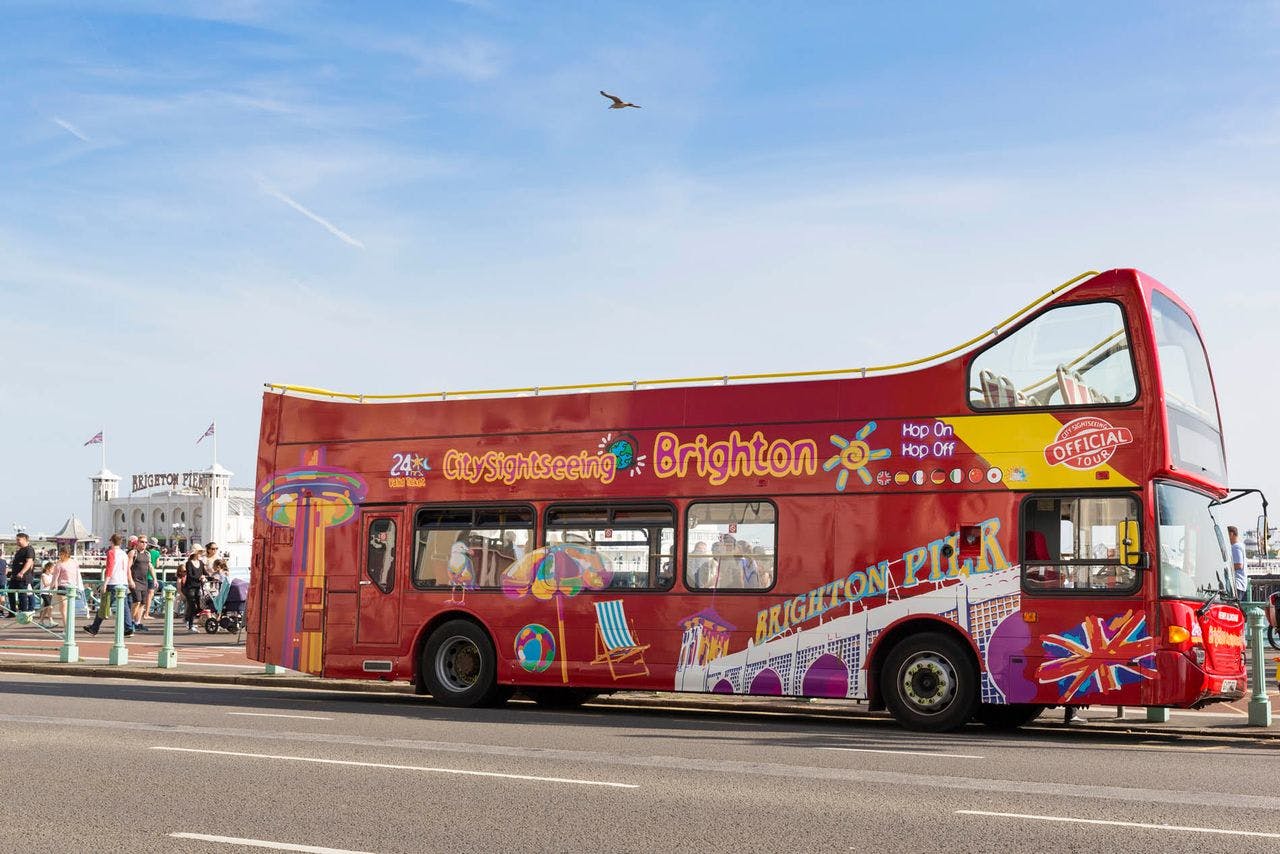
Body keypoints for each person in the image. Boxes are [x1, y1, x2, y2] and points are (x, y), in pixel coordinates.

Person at [85, 534, 134, 637]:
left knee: (105, 605)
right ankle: (129, 627)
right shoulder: (124, 554)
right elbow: (127, 569)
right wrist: (129, 581)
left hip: (113, 582)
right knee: (124, 606)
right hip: (123, 582)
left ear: (111, 541)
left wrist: (105, 583)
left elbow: (109, 569)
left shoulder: (111, 553)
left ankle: (94, 628)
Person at [51, 547, 82, 628]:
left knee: (63, 609)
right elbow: (77, 575)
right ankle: (69, 627)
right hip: (72, 587)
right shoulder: (74, 562)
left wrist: (51, 588)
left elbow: (55, 577)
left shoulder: (59, 563)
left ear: (64, 554)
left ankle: (66, 628)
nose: (59, 555)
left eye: (60, 554)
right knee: (69, 608)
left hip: (63, 586)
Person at [179, 548, 207, 632]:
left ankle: (187, 618)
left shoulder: (201, 563)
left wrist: (209, 576)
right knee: (192, 606)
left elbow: (205, 573)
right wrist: (199, 578)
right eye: (199, 552)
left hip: (198, 587)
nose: (200, 554)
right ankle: (190, 624)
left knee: (200, 607)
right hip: (190, 587)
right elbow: (190, 575)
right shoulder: (189, 563)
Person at [8, 532, 36, 614]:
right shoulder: (20, 550)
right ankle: (12, 612)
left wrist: (22, 572)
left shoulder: (29, 549)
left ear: (24, 539)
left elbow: (29, 562)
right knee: (10, 592)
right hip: (14, 576)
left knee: (22, 594)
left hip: (23, 577)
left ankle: (24, 612)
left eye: (18, 540)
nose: (17, 542)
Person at [129, 536, 152, 630]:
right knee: (136, 601)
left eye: (146, 542)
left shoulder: (147, 554)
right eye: (142, 542)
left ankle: (137, 622)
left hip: (144, 581)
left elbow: (150, 566)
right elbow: (127, 567)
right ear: (137, 542)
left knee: (142, 603)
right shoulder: (133, 553)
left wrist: (154, 579)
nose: (144, 544)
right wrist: (130, 580)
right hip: (135, 581)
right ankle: (129, 622)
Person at [1228, 526, 1248, 599]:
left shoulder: (1235, 547)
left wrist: (1226, 568)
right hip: (1241, 584)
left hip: (1237, 584)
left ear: (1231, 534)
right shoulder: (1241, 545)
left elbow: (1239, 565)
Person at [36, 561, 55, 626]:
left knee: (46, 607)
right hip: (44, 592)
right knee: (50, 607)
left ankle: (41, 621)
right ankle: (51, 620)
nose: (53, 570)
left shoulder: (52, 576)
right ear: (48, 568)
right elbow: (46, 584)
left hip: (50, 593)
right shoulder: (43, 575)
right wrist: (53, 583)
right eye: (52, 569)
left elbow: (53, 585)